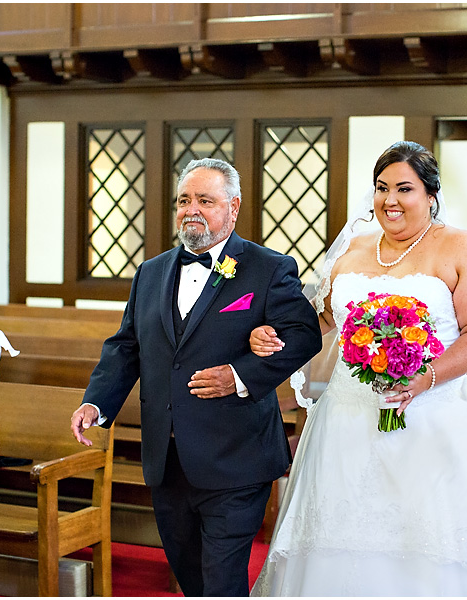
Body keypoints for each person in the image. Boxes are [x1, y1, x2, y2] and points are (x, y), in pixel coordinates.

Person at [248, 141, 467, 596]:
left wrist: (426, 377)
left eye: (405, 188)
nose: (390, 200)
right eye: (382, 188)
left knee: (430, 538)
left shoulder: (461, 247)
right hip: (348, 419)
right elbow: (322, 320)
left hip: (434, 416)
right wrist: (275, 335)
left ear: (430, 195)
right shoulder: (353, 250)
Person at [70, 158, 322, 597]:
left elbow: (303, 336)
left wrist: (239, 374)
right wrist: (97, 402)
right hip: (166, 460)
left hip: (236, 457)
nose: (193, 209)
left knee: (221, 582)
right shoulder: (151, 273)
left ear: (233, 208)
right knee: (190, 578)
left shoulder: (268, 268)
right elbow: (126, 346)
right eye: (185, 200)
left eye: (205, 200)